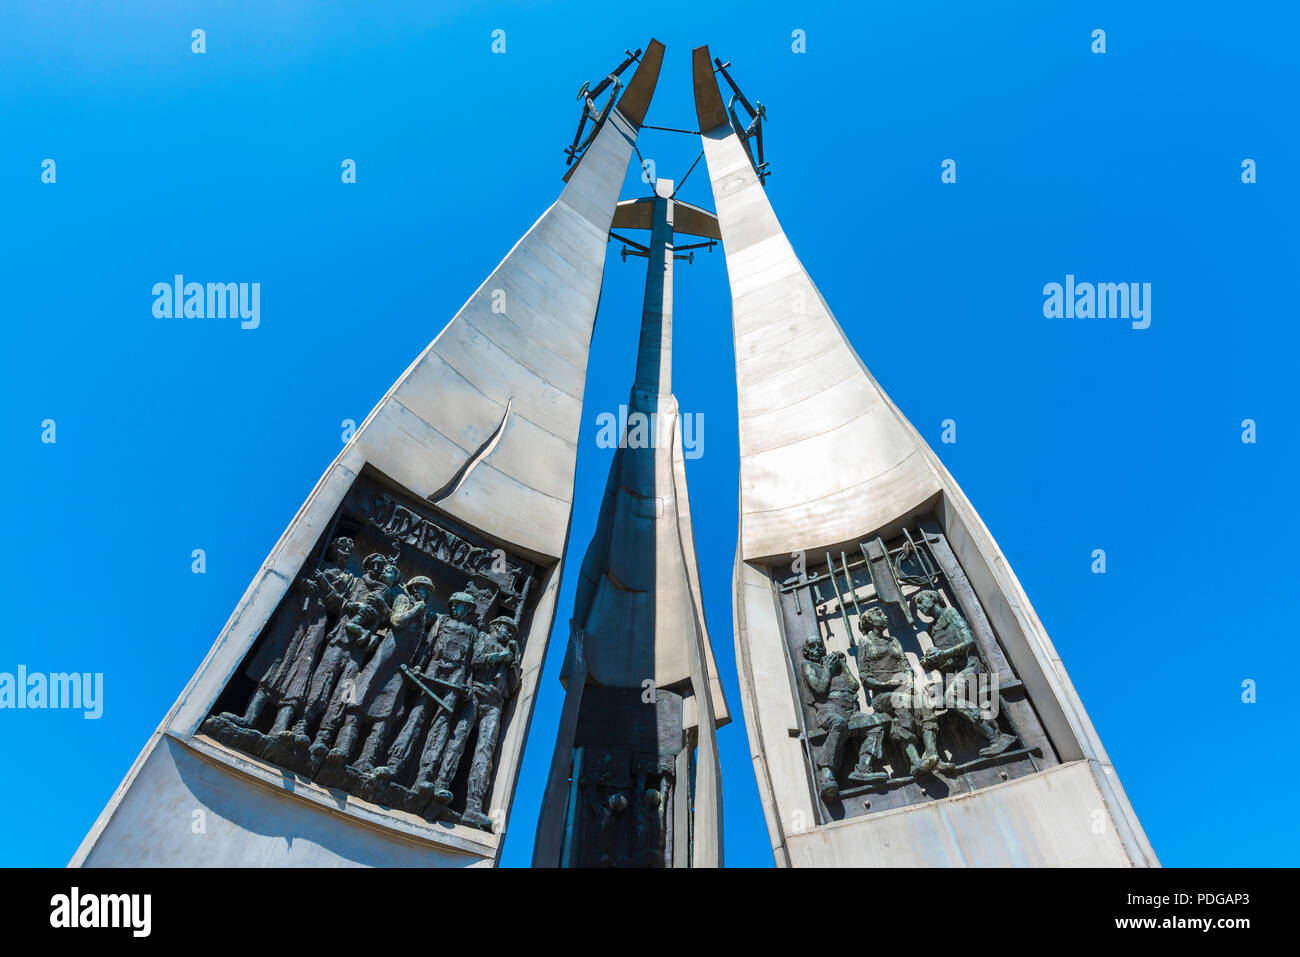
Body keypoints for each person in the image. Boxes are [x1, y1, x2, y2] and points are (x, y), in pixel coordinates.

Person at [914, 590, 1017, 758]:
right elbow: (949, 663)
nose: (920, 607)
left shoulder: (950, 613)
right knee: (930, 700)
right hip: (957, 672)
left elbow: (968, 641)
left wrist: (944, 654)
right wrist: (934, 662)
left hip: (972, 667)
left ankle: (997, 736)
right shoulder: (931, 629)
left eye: (921, 602)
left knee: (951, 698)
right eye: (917, 606)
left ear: (933, 599)